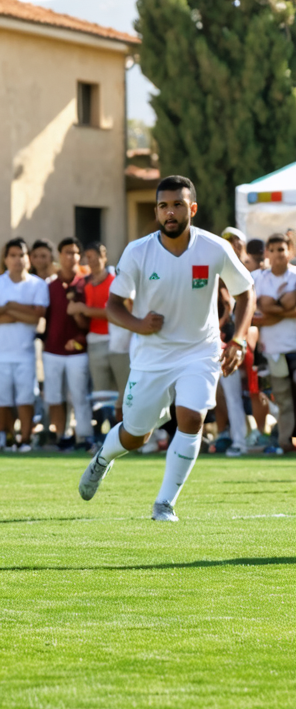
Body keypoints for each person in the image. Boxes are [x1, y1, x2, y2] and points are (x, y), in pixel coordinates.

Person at [80, 175, 254, 522]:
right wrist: (139, 324)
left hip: (200, 350)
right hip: (151, 355)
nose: (169, 212)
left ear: (192, 208)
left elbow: (245, 293)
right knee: (135, 435)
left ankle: (164, 504)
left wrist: (238, 339)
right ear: (157, 210)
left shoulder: (214, 247)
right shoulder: (138, 251)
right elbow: (115, 306)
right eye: (163, 206)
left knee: (192, 419)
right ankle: (103, 458)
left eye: (177, 205)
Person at [0, 238, 49, 452]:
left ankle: (25, 439)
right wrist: (20, 311)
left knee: (25, 399)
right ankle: (3, 437)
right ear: (5, 258)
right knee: (1, 399)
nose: (17, 260)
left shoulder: (37, 284)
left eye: (21, 255)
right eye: (13, 255)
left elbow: (36, 317)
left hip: (25, 354)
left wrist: (9, 307)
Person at [42, 237, 92, 450]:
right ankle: (61, 436)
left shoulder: (85, 284)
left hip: (78, 352)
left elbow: (87, 323)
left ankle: (83, 436)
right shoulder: (49, 286)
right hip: (52, 350)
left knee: (79, 396)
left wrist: (77, 310)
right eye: (66, 252)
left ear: (79, 257)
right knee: (54, 397)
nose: (70, 256)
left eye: (74, 252)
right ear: (59, 256)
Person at [250, 233, 296, 453]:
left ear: (290, 251)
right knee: (283, 399)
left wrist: (271, 310)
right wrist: (286, 311)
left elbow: (265, 311)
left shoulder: (295, 276)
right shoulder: (257, 279)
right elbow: (253, 315)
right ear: (267, 252)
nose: (278, 254)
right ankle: (286, 442)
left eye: (282, 249)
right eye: (274, 250)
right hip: (273, 350)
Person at [77, 242, 129, 430]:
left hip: (117, 342)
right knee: (102, 393)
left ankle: (124, 430)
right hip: (95, 341)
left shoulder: (115, 280)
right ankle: (107, 431)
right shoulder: (85, 284)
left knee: (121, 389)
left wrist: (85, 310)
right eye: (87, 257)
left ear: (104, 256)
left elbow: (114, 312)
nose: (90, 261)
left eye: (94, 256)